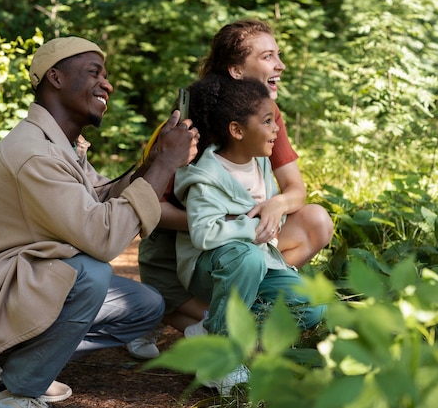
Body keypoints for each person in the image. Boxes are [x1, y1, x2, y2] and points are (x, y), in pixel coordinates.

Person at [0, 36, 199, 408]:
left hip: (15, 291)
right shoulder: (33, 153)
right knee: (90, 272)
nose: (107, 83)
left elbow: (101, 198)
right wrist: (166, 166)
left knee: (145, 306)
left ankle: (22, 365)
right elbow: (102, 238)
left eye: (106, 75)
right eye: (94, 72)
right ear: (55, 78)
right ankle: (18, 391)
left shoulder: (61, 145)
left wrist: (152, 164)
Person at [130, 19, 333, 359]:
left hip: (241, 244)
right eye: (268, 56)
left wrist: (276, 205)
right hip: (184, 256)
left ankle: (221, 316)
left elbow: (296, 188)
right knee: (238, 265)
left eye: (278, 55)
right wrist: (220, 221)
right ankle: (170, 312)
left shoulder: (267, 115)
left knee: (317, 221)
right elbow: (148, 207)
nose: (280, 65)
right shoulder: (189, 121)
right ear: (237, 69)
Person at [173, 74, 326, 394]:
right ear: (237, 130)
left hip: (256, 259)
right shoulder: (207, 175)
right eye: (268, 122)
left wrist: (274, 210)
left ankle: (213, 329)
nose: (276, 129)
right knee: (249, 259)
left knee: (312, 305)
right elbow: (202, 233)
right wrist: (251, 225)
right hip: (208, 265)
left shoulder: (262, 163)